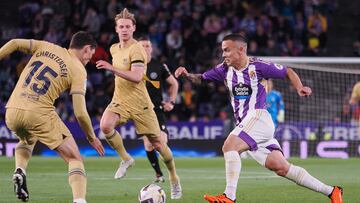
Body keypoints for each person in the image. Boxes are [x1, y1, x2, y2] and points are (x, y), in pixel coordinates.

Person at [175, 33, 343, 203]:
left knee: (229, 146)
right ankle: (332, 192)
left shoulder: (258, 66)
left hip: (258, 117)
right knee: (281, 167)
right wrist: (187, 75)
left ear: (241, 50)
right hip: (248, 125)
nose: (223, 54)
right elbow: (202, 79)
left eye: (227, 50)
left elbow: (288, 71)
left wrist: (299, 87)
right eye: (222, 51)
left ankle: (229, 197)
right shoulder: (224, 69)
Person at [0, 31, 105, 203]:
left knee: (27, 139)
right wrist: (91, 137)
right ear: (86, 49)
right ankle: (79, 200)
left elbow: (14, 42)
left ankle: (20, 170)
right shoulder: (78, 69)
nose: (89, 60)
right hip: (38, 113)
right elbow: (80, 112)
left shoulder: (46, 46)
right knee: (74, 158)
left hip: (11, 111)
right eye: (91, 55)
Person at [95, 8, 182, 199]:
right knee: (105, 125)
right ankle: (126, 159)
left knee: (158, 144)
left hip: (142, 104)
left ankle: (174, 177)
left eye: (128, 26)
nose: (124, 29)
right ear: (116, 29)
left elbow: (135, 77)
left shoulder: (137, 50)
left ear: (133, 28)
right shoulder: (114, 48)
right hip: (120, 100)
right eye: (121, 26)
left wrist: (111, 67)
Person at [138, 36, 179, 183]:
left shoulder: (159, 66)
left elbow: (174, 84)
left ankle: (172, 173)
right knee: (148, 145)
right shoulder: (133, 67)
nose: (145, 49)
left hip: (157, 110)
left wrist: (171, 102)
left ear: (151, 48)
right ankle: (158, 174)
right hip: (140, 111)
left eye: (147, 46)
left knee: (162, 141)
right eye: (142, 46)